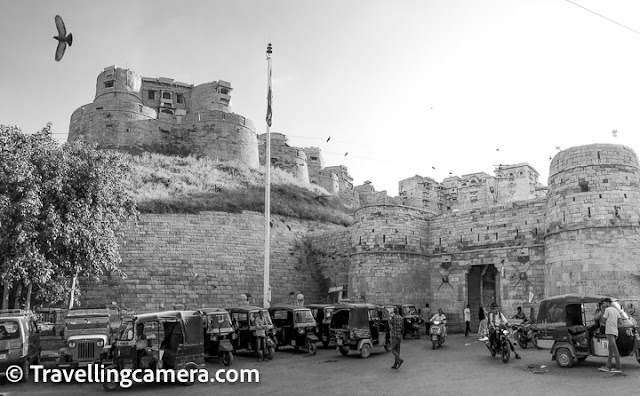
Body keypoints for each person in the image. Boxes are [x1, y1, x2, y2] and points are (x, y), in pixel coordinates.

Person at [599, 298, 622, 373]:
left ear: (608, 303)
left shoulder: (607, 310)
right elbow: (620, 322)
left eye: (604, 303)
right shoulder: (616, 310)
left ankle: (618, 367)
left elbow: (603, 320)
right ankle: (608, 366)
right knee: (611, 350)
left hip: (609, 331)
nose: (603, 305)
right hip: (615, 331)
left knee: (614, 349)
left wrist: (602, 310)